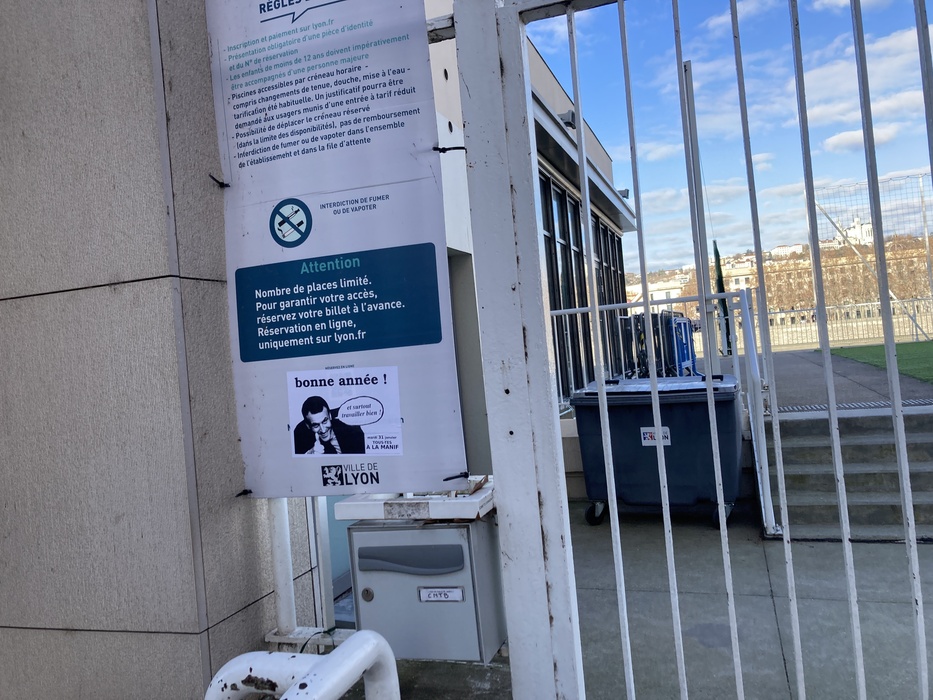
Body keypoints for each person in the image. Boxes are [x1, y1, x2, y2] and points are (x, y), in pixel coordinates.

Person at [294, 395, 365, 455]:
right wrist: (310, 454)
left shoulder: (349, 425)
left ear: (330, 416)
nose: (323, 430)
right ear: (308, 426)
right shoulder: (300, 434)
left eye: (325, 421)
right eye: (316, 425)